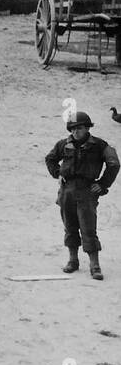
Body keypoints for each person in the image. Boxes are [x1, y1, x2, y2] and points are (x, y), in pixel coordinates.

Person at [45, 111, 120, 280]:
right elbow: (50, 159)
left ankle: (95, 265)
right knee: (70, 226)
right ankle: (73, 260)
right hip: (66, 191)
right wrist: (57, 173)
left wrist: (102, 184)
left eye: (79, 128)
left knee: (88, 228)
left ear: (87, 128)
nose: (75, 132)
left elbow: (114, 164)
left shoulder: (100, 145)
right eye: (72, 129)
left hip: (87, 192)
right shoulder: (63, 144)